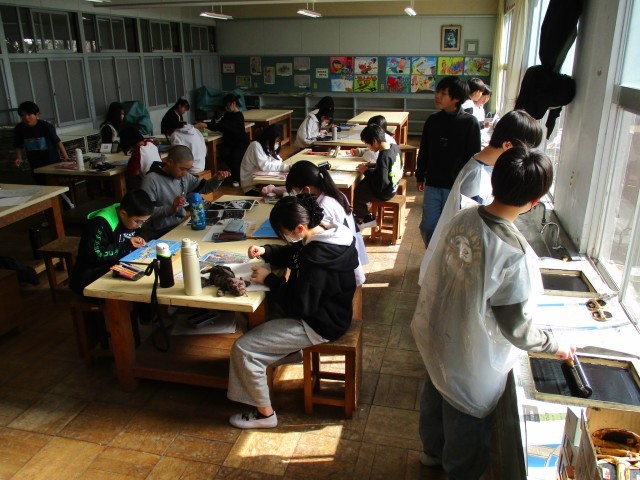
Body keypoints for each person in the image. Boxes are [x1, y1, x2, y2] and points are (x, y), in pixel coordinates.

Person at [411, 145, 575, 479]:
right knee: (464, 418)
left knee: (437, 393)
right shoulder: (513, 253)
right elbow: (516, 328)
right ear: (534, 202)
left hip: (441, 332)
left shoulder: (464, 216)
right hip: (471, 354)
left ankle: (432, 454)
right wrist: (553, 344)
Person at [227, 194, 358, 429]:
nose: (284, 237)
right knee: (249, 313)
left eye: (283, 232)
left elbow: (299, 305)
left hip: (318, 324)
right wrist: (266, 251)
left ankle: (265, 415)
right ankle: (285, 353)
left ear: (299, 228)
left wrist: (270, 280)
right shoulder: (327, 234)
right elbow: (294, 254)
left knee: (244, 349)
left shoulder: (317, 256)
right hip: (329, 313)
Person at [418, 110, 543, 284]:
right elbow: (471, 236)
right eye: (525, 150)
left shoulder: (480, 162)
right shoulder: (477, 179)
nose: (526, 156)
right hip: (459, 268)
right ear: (507, 145)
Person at [416, 76, 481, 247]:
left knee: (452, 227)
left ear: (456, 98)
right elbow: (424, 149)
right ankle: (432, 255)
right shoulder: (433, 120)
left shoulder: (470, 123)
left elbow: (473, 158)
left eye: (443, 93)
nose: (437, 96)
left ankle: (445, 258)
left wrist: (468, 185)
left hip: (456, 186)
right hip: (433, 183)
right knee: (428, 226)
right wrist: (419, 174)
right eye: (438, 92)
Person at [286, 160, 367, 285]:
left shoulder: (322, 207)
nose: (296, 196)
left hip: (341, 268)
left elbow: (314, 238)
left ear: (306, 190)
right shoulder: (334, 194)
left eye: (296, 192)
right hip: (348, 258)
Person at [69, 189, 153, 297]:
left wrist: (140, 239)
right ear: (123, 214)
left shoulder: (133, 217)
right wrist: (127, 246)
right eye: (139, 222)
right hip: (92, 277)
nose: (141, 225)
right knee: (137, 294)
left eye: (144, 221)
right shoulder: (100, 223)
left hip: (117, 269)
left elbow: (141, 232)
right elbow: (95, 254)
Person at [141, 145, 230, 238]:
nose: (185, 173)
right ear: (169, 162)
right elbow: (145, 213)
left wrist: (217, 179)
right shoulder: (151, 180)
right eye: (182, 169)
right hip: (160, 231)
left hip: (180, 224)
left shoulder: (185, 177)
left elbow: (205, 187)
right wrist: (172, 208)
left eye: (188, 169)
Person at [353, 124, 403, 227]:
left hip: (385, 192)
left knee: (359, 191)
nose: (368, 147)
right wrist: (373, 165)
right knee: (364, 183)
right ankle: (366, 212)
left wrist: (366, 171)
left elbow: (380, 183)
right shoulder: (393, 147)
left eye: (368, 144)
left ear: (375, 141)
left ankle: (365, 219)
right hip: (394, 186)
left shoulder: (383, 157)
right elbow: (389, 166)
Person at [13, 101, 71, 185]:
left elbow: (57, 141)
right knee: (41, 185)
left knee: (53, 185)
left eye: (29, 114)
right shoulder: (19, 128)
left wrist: (66, 157)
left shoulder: (46, 126)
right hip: (35, 162)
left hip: (51, 161)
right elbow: (18, 145)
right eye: (23, 115)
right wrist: (18, 157)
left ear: (37, 115)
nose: (26, 118)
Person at [208, 93, 249, 187]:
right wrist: (213, 120)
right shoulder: (228, 115)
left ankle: (236, 178)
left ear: (233, 103)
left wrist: (208, 125)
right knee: (224, 153)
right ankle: (237, 171)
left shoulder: (239, 116)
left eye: (227, 105)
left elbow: (224, 126)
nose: (226, 107)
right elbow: (218, 125)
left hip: (240, 143)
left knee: (235, 157)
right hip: (229, 143)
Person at [240, 124, 289, 195]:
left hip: (264, 181)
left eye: (278, 141)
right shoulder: (255, 145)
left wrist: (273, 165)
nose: (277, 143)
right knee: (279, 194)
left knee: (286, 190)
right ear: (269, 138)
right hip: (251, 186)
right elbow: (265, 166)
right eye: (276, 141)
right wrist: (284, 167)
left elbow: (278, 160)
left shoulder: (268, 146)